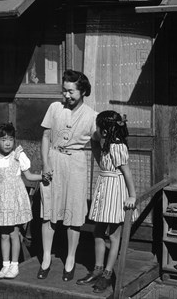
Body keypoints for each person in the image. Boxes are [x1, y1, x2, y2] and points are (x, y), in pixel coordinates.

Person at [38, 69, 99, 282]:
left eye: (71, 91)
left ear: (82, 91)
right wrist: (45, 164)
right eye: (64, 91)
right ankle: (46, 258)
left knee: (74, 213)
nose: (66, 95)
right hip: (54, 161)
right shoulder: (55, 108)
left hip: (76, 163)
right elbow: (45, 137)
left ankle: (70, 259)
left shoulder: (92, 116)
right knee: (49, 210)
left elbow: (99, 143)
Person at [76, 111, 137, 293]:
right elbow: (93, 139)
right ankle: (98, 269)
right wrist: (99, 133)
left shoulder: (118, 147)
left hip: (116, 190)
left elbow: (127, 173)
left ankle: (108, 274)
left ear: (107, 129)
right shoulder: (104, 143)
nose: (97, 130)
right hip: (104, 186)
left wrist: (132, 196)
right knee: (98, 231)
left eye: (100, 126)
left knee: (113, 235)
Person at [0, 122, 42, 279]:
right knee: (3, 235)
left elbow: (29, 176)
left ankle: (14, 266)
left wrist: (44, 177)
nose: (7, 142)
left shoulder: (18, 155)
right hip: (1, 199)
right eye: (3, 139)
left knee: (14, 233)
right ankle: (5, 265)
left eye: (10, 139)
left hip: (15, 199)